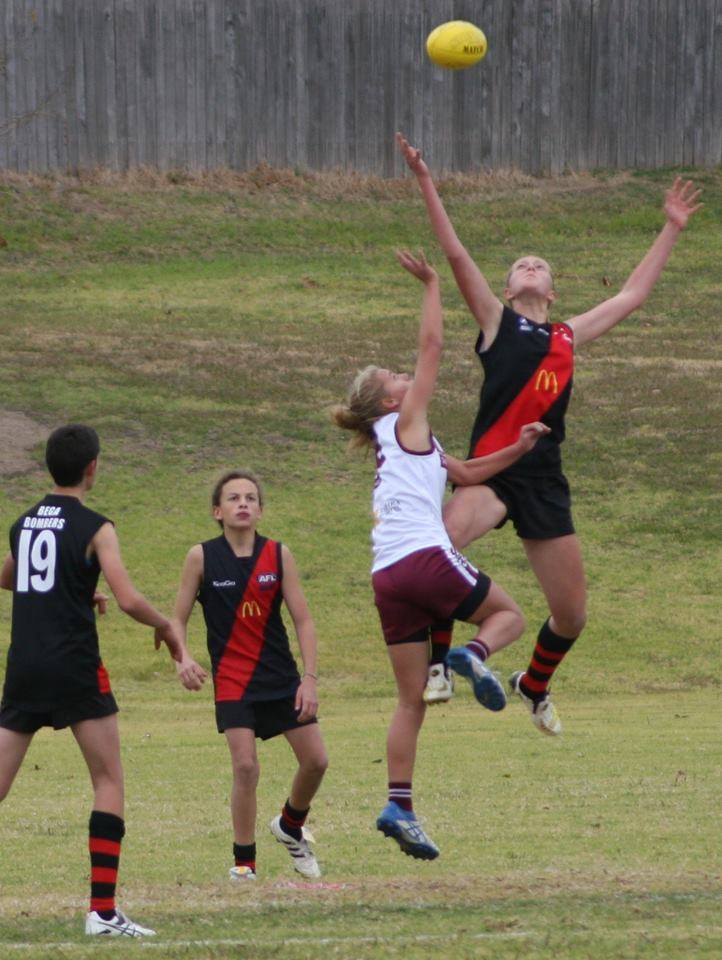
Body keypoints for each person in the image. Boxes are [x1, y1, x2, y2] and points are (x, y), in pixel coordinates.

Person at [397, 132, 703, 736]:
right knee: (438, 548)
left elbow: (633, 295)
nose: (530, 266)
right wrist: (426, 180)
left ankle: (533, 684)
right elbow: (457, 254)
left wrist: (670, 227)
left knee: (571, 614)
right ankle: (439, 667)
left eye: (541, 265)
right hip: (491, 471)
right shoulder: (495, 321)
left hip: (542, 478)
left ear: (552, 290)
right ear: (508, 289)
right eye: (520, 265)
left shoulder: (568, 335)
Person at [333, 250, 548, 860]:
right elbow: (432, 348)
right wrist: (431, 284)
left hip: (386, 577)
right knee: (508, 618)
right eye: (394, 380)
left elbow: (471, 470)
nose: (408, 379)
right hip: (424, 558)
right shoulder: (406, 421)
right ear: (386, 402)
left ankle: (398, 804)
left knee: (410, 699)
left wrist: (521, 447)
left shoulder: (407, 442)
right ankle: (472, 654)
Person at [0, 424, 182, 938]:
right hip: (74, 666)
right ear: (92, 468)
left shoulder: (24, 521)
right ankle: (102, 912)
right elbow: (127, 599)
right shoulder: (97, 526)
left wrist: (74, 587)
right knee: (107, 780)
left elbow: (10, 576)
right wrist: (166, 624)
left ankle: (104, 913)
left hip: (24, 666)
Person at [171, 470, 328, 881]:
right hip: (233, 680)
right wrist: (181, 657)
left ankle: (290, 825)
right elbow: (177, 620)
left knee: (316, 760)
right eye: (234, 498)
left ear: (260, 510)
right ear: (217, 511)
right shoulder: (201, 557)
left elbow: (305, 621)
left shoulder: (278, 554)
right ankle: (244, 862)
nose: (243, 503)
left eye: (251, 498)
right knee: (245, 767)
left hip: (280, 678)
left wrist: (308, 678)